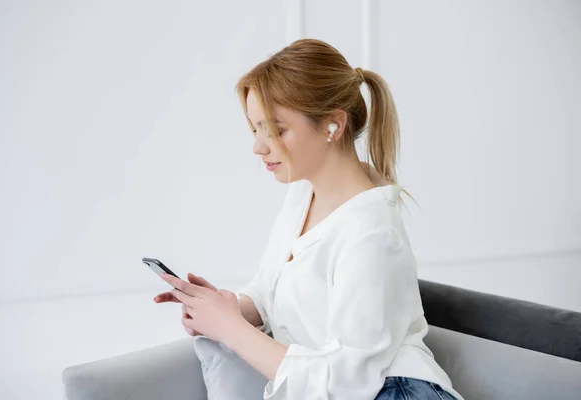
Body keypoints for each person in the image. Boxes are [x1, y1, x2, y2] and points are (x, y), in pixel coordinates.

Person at [154, 38, 464, 400]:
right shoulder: (302, 195)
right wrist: (227, 309)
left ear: (333, 126)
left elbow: (349, 381)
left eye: (276, 129)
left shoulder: (373, 233)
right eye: (255, 128)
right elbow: (271, 289)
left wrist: (231, 329)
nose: (258, 146)